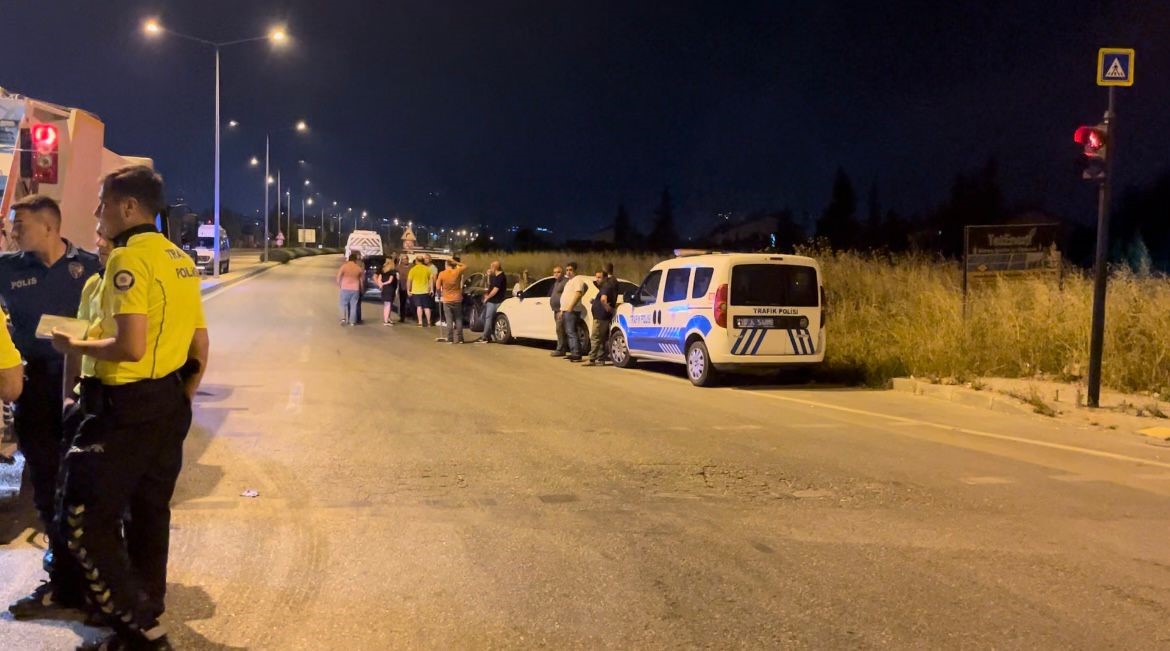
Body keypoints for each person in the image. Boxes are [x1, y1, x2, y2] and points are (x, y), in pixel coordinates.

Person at [50, 165, 209, 650]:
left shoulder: (129, 259)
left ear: (128, 207)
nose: (97, 211)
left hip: (124, 407)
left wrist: (73, 345)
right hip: (165, 404)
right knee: (148, 513)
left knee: (82, 518)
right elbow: (199, 343)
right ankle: (146, 608)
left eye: (103, 202)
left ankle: (139, 628)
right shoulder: (180, 260)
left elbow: (130, 346)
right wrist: (178, 398)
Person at [1, 194, 101, 620]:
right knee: (45, 489)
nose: (12, 232)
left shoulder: (91, 268)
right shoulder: (7, 268)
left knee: (89, 492)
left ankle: (98, 584)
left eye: (18, 224)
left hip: (84, 392)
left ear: (48, 227)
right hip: (35, 391)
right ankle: (62, 581)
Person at [585, 268, 618, 366]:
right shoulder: (607, 286)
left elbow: (603, 299)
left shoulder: (606, 286)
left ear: (605, 278)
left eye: (599, 277)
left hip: (600, 317)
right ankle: (601, 358)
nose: (597, 279)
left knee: (595, 337)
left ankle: (592, 359)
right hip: (602, 316)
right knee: (601, 338)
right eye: (596, 277)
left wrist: (608, 308)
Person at [558, 261, 589, 361]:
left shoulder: (577, 280)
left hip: (572, 310)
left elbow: (578, 293)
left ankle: (576, 354)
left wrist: (571, 306)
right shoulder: (569, 281)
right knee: (569, 332)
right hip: (566, 310)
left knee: (571, 332)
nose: (568, 272)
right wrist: (562, 311)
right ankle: (573, 352)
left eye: (570, 270)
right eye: (567, 270)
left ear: (575, 270)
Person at [435, 258, 467, 343]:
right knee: (458, 318)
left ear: (446, 265)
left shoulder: (442, 273)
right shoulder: (457, 271)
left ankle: (450, 339)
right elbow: (465, 266)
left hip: (447, 299)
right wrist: (456, 262)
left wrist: (439, 294)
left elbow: (438, 286)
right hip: (457, 299)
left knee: (449, 319)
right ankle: (460, 339)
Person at [478, 260, 506, 343]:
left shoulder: (501, 277)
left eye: (491, 267)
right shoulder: (494, 276)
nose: (490, 268)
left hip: (495, 301)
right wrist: (488, 276)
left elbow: (495, 289)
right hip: (491, 301)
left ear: (494, 267)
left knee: (488, 318)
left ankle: (485, 337)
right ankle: (488, 335)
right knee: (484, 318)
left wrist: (488, 297)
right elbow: (488, 285)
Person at [336, 252, 363, 326]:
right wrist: (361, 289)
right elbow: (361, 280)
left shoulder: (344, 266)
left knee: (343, 304)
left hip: (345, 288)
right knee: (354, 305)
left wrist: (340, 285)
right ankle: (352, 322)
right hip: (355, 289)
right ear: (355, 260)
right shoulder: (358, 268)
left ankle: (343, 319)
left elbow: (338, 276)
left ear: (349, 259)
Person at [407, 255, 435, 327]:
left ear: (416, 261)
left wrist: (408, 290)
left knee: (419, 307)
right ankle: (429, 322)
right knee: (426, 307)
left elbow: (409, 281)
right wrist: (432, 289)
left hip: (416, 291)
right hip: (425, 291)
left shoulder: (413, 269)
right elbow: (431, 280)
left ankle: (420, 322)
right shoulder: (427, 269)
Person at [548, 266, 568, 357]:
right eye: (554, 272)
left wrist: (562, 309)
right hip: (556, 310)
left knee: (560, 329)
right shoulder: (556, 282)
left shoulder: (565, 282)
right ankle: (561, 348)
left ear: (562, 273)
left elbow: (567, 296)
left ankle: (560, 349)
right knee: (559, 330)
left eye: (558, 272)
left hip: (561, 310)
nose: (556, 274)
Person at [376, 258, 398, 326]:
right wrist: (384, 283)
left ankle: (387, 319)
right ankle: (386, 321)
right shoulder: (392, 271)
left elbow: (379, 279)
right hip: (390, 289)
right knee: (388, 305)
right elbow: (390, 281)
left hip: (384, 289)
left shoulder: (383, 271)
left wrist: (381, 285)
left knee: (386, 305)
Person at [395, 254, 411, 322]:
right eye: (403, 259)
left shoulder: (411, 266)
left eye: (406, 259)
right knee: (402, 303)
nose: (405, 260)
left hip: (411, 287)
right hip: (402, 287)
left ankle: (414, 316)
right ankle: (402, 317)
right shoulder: (398, 267)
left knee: (413, 303)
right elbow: (395, 273)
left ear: (408, 259)